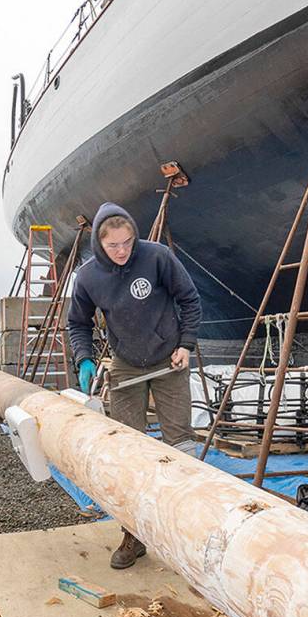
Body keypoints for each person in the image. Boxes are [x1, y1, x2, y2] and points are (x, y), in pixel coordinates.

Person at [68, 202, 202, 569]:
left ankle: (187, 532)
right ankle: (133, 535)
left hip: (169, 359)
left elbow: (189, 299)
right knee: (128, 450)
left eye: (127, 242)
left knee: (181, 445)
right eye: (113, 245)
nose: (122, 251)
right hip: (126, 365)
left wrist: (185, 344)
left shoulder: (157, 257)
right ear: (99, 243)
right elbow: (77, 323)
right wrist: (84, 358)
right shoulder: (88, 277)